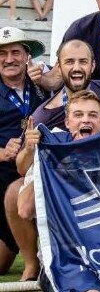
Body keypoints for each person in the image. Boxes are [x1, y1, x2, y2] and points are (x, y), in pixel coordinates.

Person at [16, 90, 100, 292]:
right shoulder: (50, 150)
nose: (86, 120)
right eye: (78, 115)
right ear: (67, 122)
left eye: (93, 115)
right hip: (66, 257)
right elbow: (24, 210)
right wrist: (56, 166)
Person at [0, 27, 49, 280]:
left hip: (40, 172)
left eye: (15, 52)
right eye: (3, 54)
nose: (9, 59)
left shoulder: (43, 82)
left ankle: (37, 261)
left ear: (27, 56)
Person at [31, 39, 100, 131]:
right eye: (69, 62)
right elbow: (25, 149)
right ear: (59, 68)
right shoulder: (43, 118)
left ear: (92, 66)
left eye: (83, 62)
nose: (76, 68)